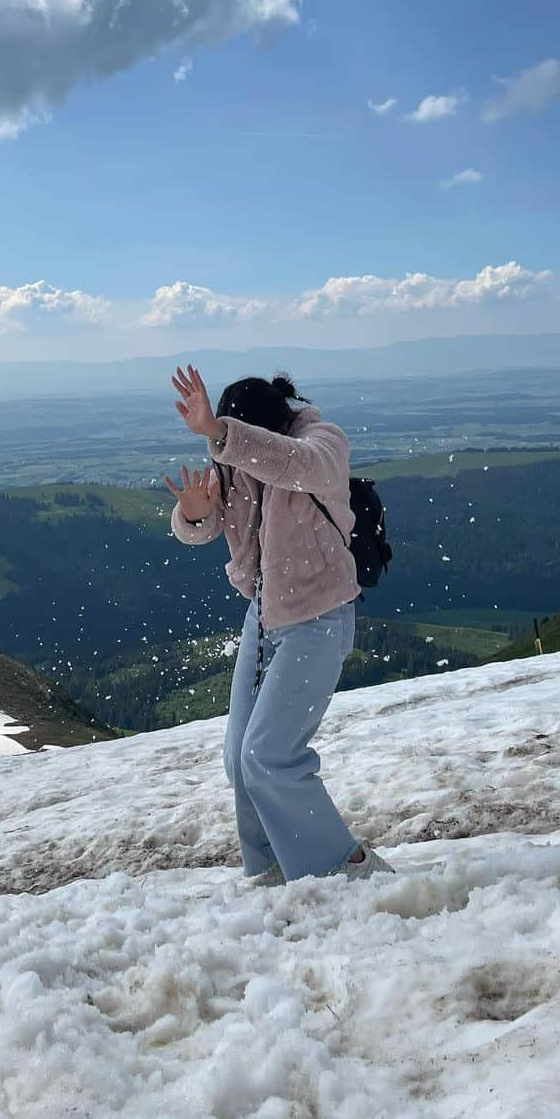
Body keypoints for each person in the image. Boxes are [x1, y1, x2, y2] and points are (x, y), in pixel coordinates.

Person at [164, 364, 394, 886]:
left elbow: (291, 465)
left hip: (320, 616)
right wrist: (194, 515)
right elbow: (203, 528)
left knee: (269, 755)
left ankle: (346, 871)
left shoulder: (321, 443)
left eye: (241, 432)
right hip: (265, 614)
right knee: (238, 760)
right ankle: (268, 870)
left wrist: (221, 435)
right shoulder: (235, 457)